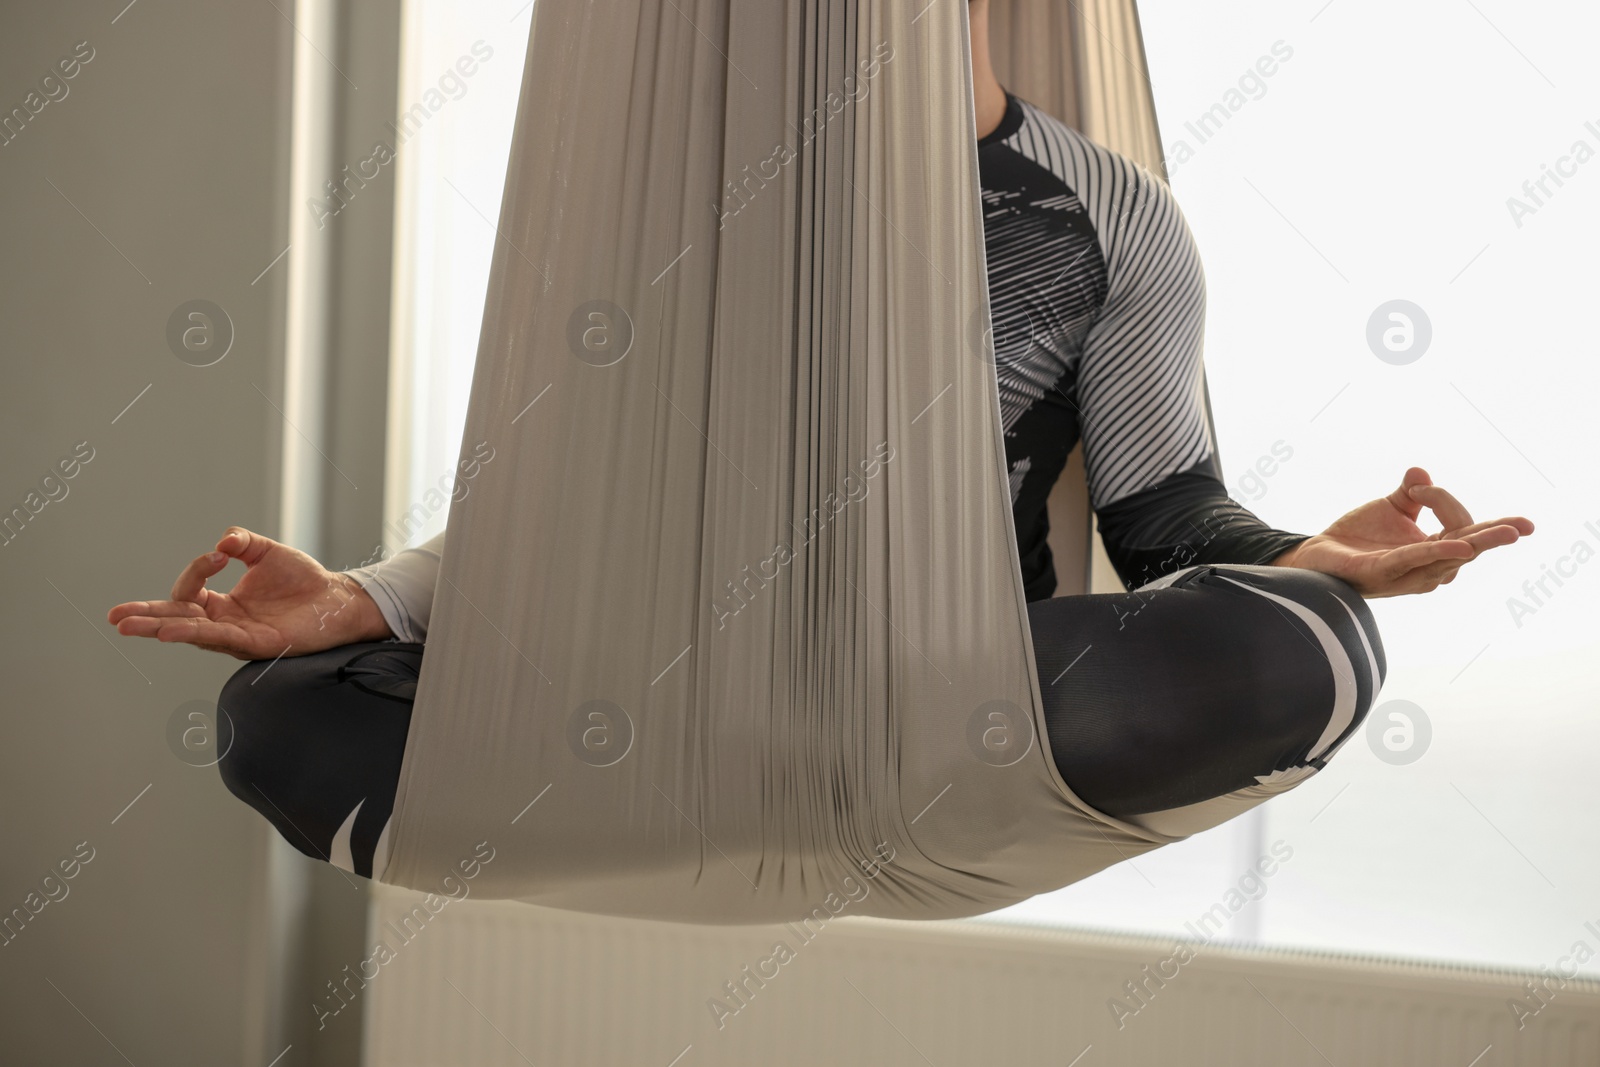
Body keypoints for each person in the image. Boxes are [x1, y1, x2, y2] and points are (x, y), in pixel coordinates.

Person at [107, 0, 1532, 881]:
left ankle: (838, 755)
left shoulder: (1107, 212)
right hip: (658, 698)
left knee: (1309, 642)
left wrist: (1304, 555)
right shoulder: (664, 200)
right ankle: (711, 764)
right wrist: (368, 601)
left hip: (958, 707)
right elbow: (568, 501)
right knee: (275, 719)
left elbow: (1162, 514)